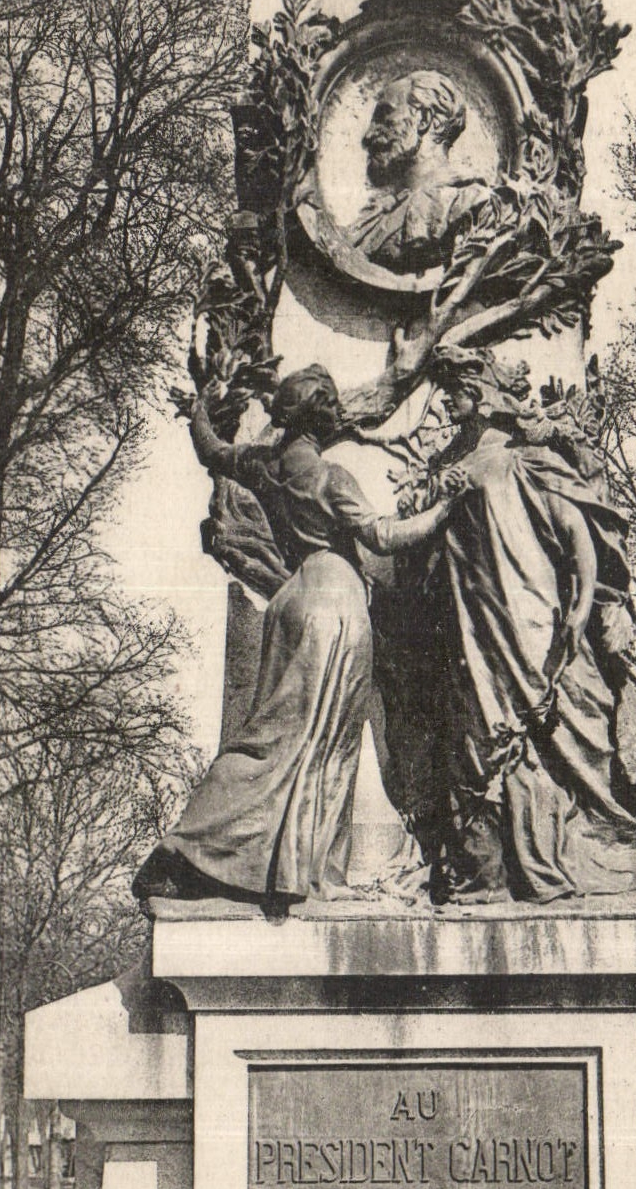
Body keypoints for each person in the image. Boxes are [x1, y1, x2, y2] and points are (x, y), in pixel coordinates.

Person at [133, 364, 464, 906]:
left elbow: (211, 450)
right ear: (322, 416)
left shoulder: (265, 463)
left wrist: (200, 404)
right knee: (327, 742)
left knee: (274, 732)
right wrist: (446, 507)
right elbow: (383, 536)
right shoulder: (331, 478)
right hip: (335, 602)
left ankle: (268, 866)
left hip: (292, 598)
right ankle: (213, 853)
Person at [404, 346, 636, 902]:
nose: (447, 396)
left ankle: (628, 854)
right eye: (445, 385)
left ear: (485, 393)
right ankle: (489, 873)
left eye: (458, 383)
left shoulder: (522, 460)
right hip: (477, 636)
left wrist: (584, 606)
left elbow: (578, 535)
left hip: (534, 630)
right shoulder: (449, 471)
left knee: (560, 745)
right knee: (482, 750)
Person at [347, 71, 489, 273]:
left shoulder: (470, 203)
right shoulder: (377, 215)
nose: (368, 136)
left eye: (384, 115)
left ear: (424, 120)